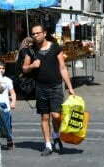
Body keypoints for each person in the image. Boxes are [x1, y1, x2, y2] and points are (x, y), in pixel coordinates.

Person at [23, 24, 75, 156]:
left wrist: (70, 87)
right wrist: (32, 66)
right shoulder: (31, 50)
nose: (35, 36)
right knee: (45, 117)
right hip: (41, 87)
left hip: (56, 86)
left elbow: (63, 68)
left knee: (56, 116)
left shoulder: (55, 47)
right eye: (33, 34)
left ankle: (56, 135)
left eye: (38, 33)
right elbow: (24, 68)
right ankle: (48, 145)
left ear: (44, 33)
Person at [0, 61, 16, 150]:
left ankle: (9, 140)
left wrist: (13, 102)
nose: (1, 70)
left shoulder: (8, 80)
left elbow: (13, 93)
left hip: (5, 106)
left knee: (7, 124)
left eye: (3, 68)